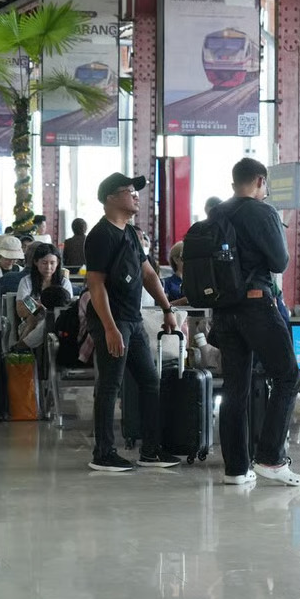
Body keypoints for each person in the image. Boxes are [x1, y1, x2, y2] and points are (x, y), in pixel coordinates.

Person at [207, 157, 300, 487]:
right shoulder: (262, 212)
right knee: (287, 377)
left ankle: (236, 469)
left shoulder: (217, 213)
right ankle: (271, 459)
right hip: (256, 305)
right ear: (261, 181)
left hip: (224, 310)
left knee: (235, 388)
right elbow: (279, 261)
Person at [84, 173, 181, 472]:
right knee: (109, 386)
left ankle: (150, 451)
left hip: (133, 320)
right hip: (112, 321)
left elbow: (149, 274)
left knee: (150, 382)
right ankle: (103, 453)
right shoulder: (100, 235)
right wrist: (110, 328)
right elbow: (95, 285)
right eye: (129, 191)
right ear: (111, 198)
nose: (136, 195)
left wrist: (167, 309)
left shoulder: (130, 233)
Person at [15, 242, 73, 347]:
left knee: (48, 320)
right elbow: (21, 312)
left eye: (52, 263)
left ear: (58, 263)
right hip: (30, 323)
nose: (48, 267)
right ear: (36, 262)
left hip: (58, 322)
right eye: (44, 263)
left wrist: (41, 306)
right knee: (45, 321)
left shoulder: (64, 282)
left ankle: (21, 346)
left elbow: (67, 309)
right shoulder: (27, 282)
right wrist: (38, 308)